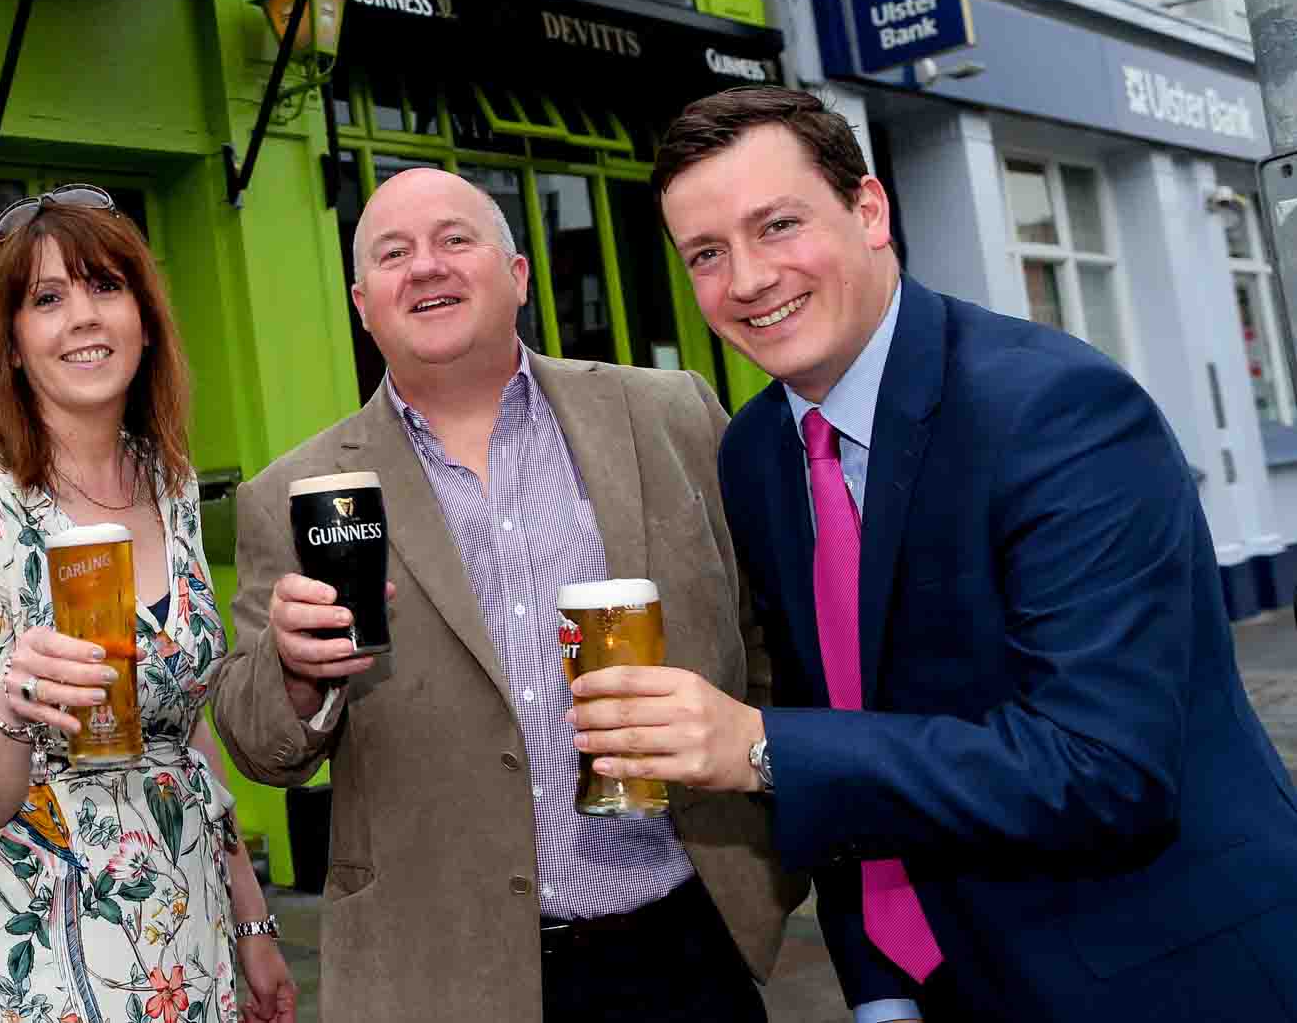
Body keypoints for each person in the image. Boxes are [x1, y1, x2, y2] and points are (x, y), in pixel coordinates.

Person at [608, 85, 1297, 1020]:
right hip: (946, 976)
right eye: (707, 254)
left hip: (1163, 970)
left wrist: (757, 747)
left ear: (869, 210)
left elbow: (1102, 765)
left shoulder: (1056, 409)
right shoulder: (758, 451)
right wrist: (879, 989)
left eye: (777, 225)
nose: (749, 278)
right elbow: (845, 708)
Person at [206, 167, 799, 1022]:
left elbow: (763, 635)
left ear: (517, 275)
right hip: (442, 977)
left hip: (685, 944)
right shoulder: (294, 492)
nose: (427, 266)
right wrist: (297, 672)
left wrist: (771, 846)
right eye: (394, 252)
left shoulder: (670, 413)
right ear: (363, 301)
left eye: (455, 239)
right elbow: (262, 747)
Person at [0, 187, 297, 1023]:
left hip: (182, 916)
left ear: (145, 321)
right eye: (46, 299)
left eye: (105, 286)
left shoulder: (170, 482)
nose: (82, 316)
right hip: (36, 930)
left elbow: (187, 723)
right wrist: (12, 703)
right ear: (11, 345)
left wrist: (251, 914)